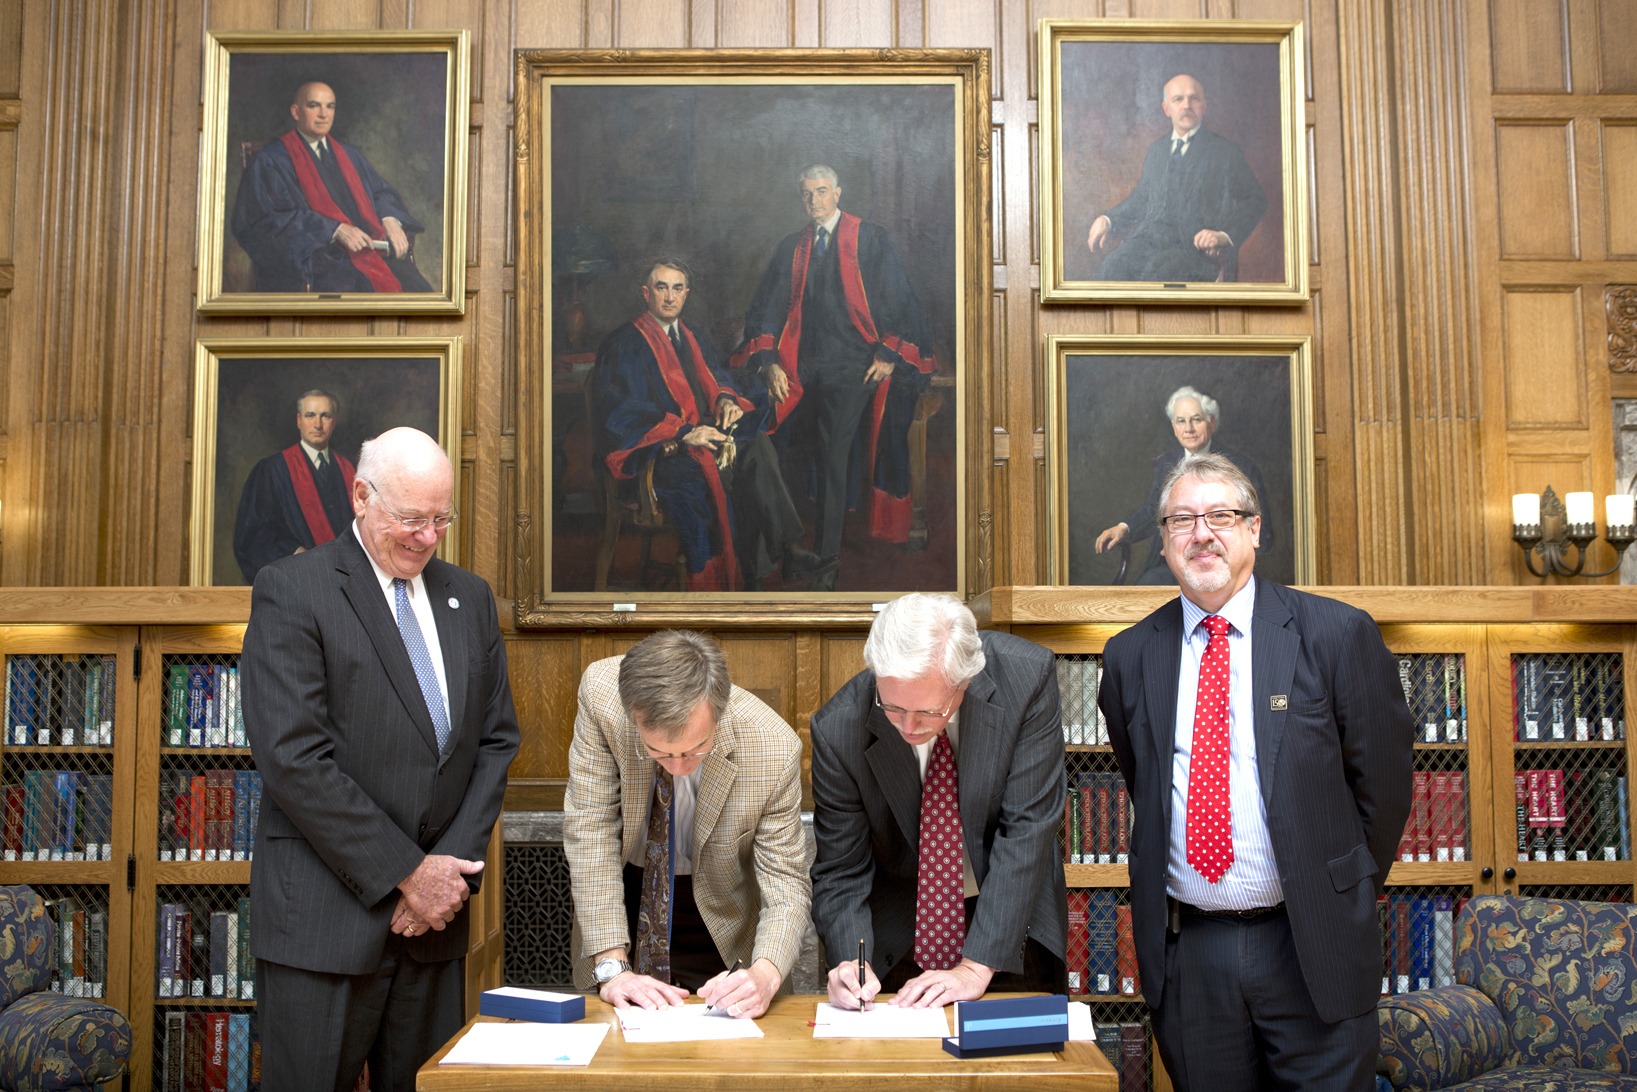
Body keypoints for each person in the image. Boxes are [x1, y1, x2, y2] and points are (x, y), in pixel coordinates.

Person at [1097, 453, 1412, 1091]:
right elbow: (1146, 784)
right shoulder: (1130, 655)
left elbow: (1383, 790)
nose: (1201, 532)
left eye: (1220, 515)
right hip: (1194, 956)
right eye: (1181, 519)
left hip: (1309, 945)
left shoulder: (1336, 634)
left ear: (1255, 530)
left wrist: (1331, 892)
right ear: (1162, 540)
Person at [241, 427, 519, 1092]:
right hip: (323, 924)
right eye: (410, 518)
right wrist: (406, 874)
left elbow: (493, 741)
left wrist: (444, 879)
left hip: (433, 927)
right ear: (361, 497)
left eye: (440, 519)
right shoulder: (294, 589)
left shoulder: (469, 598)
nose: (427, 537)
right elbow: (293, 758)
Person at [810, 593, 1068, 1009]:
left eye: (929, 711)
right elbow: (842, 870)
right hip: (899, 933)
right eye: (892, 707)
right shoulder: (838, 729)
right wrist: (851, 963)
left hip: (1008, 925)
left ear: (965, 682)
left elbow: (1027, 828)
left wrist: (974, 967)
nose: (908, 726)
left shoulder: (1026, 677)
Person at [564, 630, 809, 1019]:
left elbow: (786, 882)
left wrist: (764, 972)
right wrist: (612, 966)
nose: (678, 766)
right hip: (622, 908)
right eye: (659, 752)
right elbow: (590, 831)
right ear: (634, 716)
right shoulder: (602, 697)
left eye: (696, 749)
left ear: (719, 710)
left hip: (725, 931)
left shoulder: (772, 746)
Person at [733, 164, 935, 590]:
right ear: (800, 197)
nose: (814, 201)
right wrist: (768, 361)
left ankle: (825, 559)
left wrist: (888, 352)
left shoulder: (870, 238)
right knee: (758, 428)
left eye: (822, 192)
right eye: (807, 194)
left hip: (853, 366)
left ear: (838, 193)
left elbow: (900, 299)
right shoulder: (793, 246)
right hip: (799, 366)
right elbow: (766, 307)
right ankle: (778, 548)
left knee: (830, 454)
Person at [594, 259, 831, 591]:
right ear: (646, 293)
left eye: (677, 288)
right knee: (730, 477)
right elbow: (619, 411)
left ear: (687, 293)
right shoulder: (624, 343)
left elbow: (718, 377)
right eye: (661, 288)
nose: (669, 297)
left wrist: (725, 400)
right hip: (660, 454)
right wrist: (684, 432)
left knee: (756, 446)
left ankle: (789, 548)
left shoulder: (694, 335)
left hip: (702, 437)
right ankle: (747, 581)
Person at [231, 80, 432, 293]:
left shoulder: (348, 154)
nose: (323, 114)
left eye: (330, 106)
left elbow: (380, 192)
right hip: (318, 263)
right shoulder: (270, 160)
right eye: (313, 105)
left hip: (370, 252)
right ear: (296, 112)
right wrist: (334, 230)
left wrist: (390, 220)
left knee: (418, 293)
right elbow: (266, 221)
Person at [1086, 75, 1269, 283]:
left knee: (1157, 275)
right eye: (1178, 99)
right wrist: (1108, 219)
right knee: (1111, 268)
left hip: (1195, 252)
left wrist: (1223, 235)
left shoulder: (1224, 151)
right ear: (1166, 109)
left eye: (1194, 99)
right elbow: (1142, 198)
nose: (1186, 106)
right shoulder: (1157, 150)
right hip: (1150, 242)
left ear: (1204, 106)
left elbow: (1256, 200)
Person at [1094, 386, 1274, 585]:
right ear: (1174, 426)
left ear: (1211, 422)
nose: (1188, 428)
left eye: (1196, 419)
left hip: (1222, 564)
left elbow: (1263, 536)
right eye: (1181, 421)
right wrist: (1124, 528)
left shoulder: (1243, 468)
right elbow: (1153, 510)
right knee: (1149, 586)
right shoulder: (1166, 464)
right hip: (1170, 567)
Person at [233, 389, 357, 584]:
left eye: (325, 416)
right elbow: (253, 536)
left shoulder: (349, 468)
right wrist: (296, 553)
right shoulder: (272, 470)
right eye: (310, 415)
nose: (318, 424)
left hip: (347, 579)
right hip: (298, 580)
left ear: (334, 421)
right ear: (299, 420)